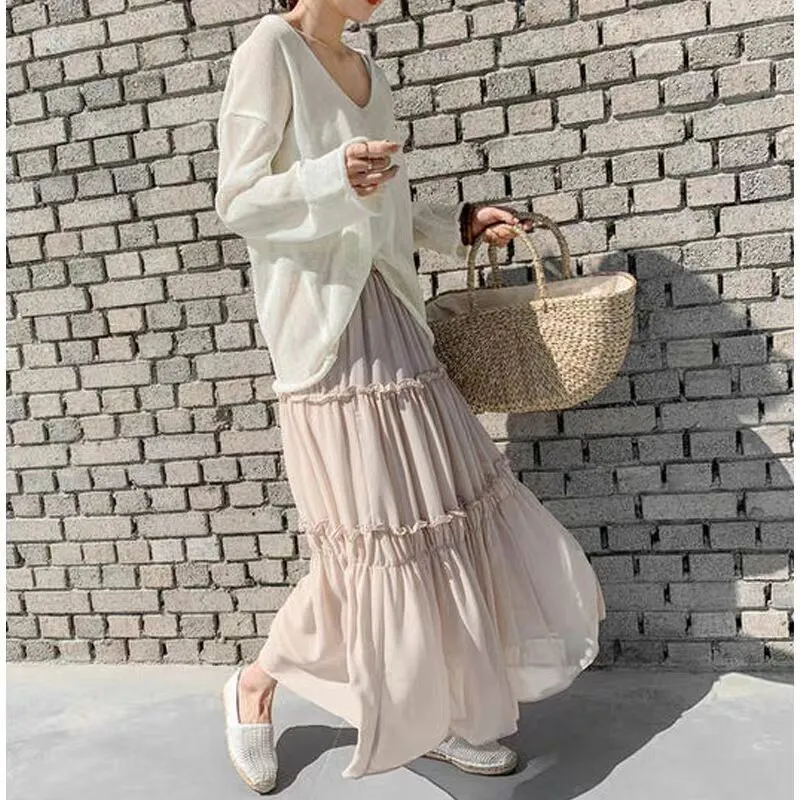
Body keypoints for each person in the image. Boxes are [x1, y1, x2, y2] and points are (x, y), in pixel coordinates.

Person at [214, 0, 607, 792]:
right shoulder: (269, 50)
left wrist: (455, 223)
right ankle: (255, 685)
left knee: (438, 519)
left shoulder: (367, 69)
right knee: (371, 538)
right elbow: (239, 199)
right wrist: (332, 175)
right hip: (328, 334)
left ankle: (437, 714)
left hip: (393, 316)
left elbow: (384, 205)